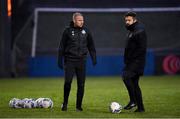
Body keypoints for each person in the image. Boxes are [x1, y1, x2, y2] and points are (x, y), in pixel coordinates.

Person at [58, 12, 97, 111]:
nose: (81, 22)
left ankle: (78, 106)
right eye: (79, 20)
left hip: (81, 61)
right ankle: (65, 103)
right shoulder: (67, 31)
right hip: (70, 61)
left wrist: (94, 58)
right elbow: (61, 46)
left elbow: (91, 46)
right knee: (68, 82)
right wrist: (59, 60)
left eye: (82, 20)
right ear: (74, 20)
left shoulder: (86, 31)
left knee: (81, 84)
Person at [122, 11, 147, 112]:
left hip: (136, 61)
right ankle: (141, 108)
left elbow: (142, 48)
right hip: (132, 61)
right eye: (126, 20)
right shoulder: (132, 31)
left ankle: (133, 101)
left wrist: (132, 59)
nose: (127, 22)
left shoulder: (139, 30)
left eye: (129, 20)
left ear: (134, 20)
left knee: (126, 76)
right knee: (134, 84)